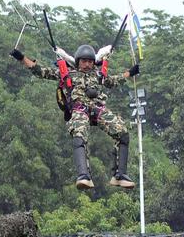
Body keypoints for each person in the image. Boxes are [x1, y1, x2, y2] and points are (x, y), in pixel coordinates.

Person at [13, 43, 138, 190]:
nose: (87, 65)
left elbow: (113, 81)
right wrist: (21, 58)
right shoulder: (68, 73)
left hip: (98, 109)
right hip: (79, 109)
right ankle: (84, 175)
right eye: (84, 61)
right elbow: (40, 71)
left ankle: (120, 175)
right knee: (79, 133)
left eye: (90, 62)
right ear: (78, 61)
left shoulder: (98, 75)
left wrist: (130, 73)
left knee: (122, 132)